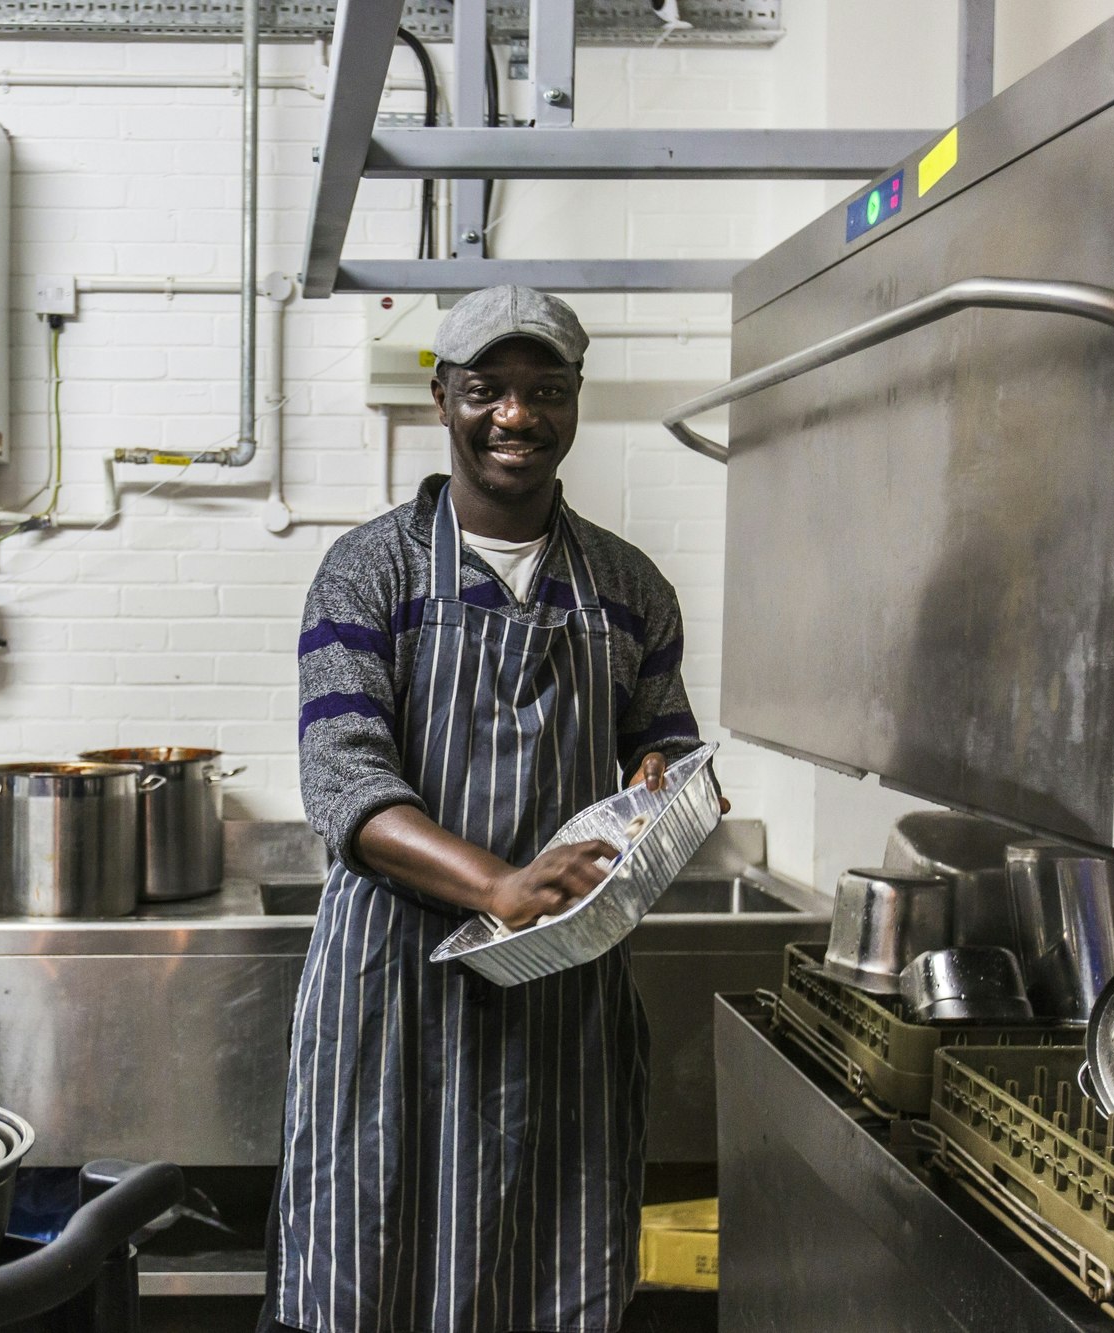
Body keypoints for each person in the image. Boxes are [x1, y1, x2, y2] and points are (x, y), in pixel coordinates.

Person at [266, 285, 715, 1333]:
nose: (516, 415)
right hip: (392, 998)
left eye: (543, 390)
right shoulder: (367, 572)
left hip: (560, 1004)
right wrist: (497, 886)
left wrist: (664, 778)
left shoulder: (625, 587)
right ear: (442, 398)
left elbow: (665, 738)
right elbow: (343, 778)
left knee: (545, 1271)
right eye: (487, 389)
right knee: (363, 1272)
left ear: (572, 403)